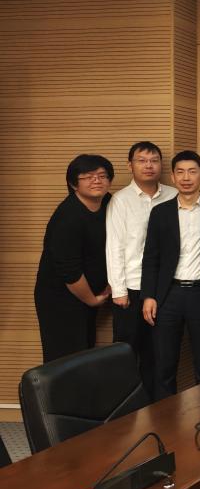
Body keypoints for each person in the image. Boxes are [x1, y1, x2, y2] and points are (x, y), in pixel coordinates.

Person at [140, 151, 200, 399]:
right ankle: (165, 418)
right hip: (168, 295)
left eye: (192, 172)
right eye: (180, 172)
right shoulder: (161, 212)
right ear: (172, 176)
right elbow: (151, 258)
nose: (186, 178)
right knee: (164, 364)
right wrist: (149, 296)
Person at [105, 141, 176, 398]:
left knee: (158, 354)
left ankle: (155, 408)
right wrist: (119, 291)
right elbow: (114, 246)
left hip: (164, 288)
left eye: (154, 160)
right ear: (130, 165)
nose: (149, 166)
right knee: (126, 352)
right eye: (142, 160)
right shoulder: (120, 200)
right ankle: (124, 408)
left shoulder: (173, 195)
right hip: (132, 288)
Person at [34, 154, 114, 362]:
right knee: (64, 359)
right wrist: (92, 300)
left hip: (86, 293)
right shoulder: (67, 217)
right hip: (61, 297)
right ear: (73, 184)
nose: (96, 181)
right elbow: (69, 270)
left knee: (83, 354)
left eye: (102, 176)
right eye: (88, 177)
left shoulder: (108, 202)